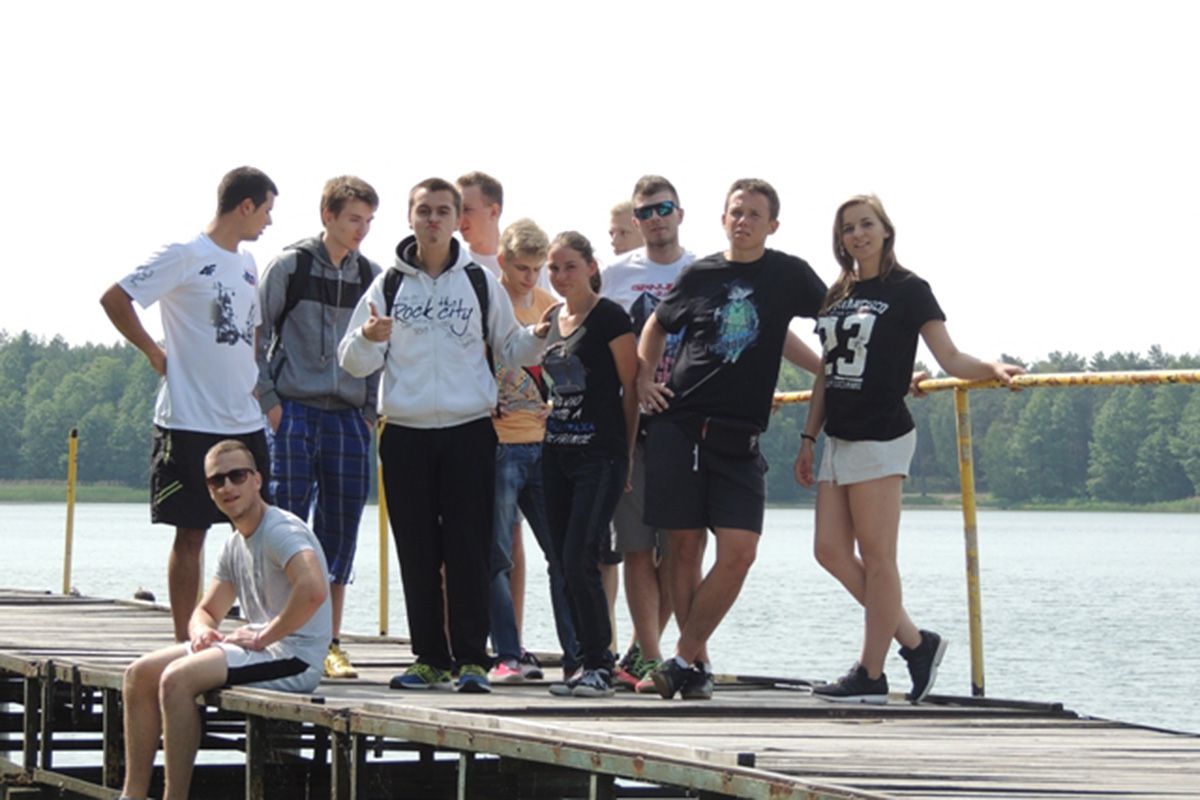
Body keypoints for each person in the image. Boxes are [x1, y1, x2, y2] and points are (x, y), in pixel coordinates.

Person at [795, 195, 1023, 704]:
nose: (858, 234)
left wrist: (991, 368)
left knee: (878, 559)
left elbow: (949, 355)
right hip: (838, 437)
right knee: (829, 550)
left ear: (886, 230)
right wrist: (808, 438)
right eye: (848, 228)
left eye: (867, 224)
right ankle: (917, 643)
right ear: (840, 239)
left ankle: (871, 674)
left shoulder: (909, 289)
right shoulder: (837, 294)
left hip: (881, 436)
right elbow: (828, 373)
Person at [337, 178, 547, 693]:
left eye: (442, 211)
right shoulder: (388, 284)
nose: (433, 220)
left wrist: (541, 337)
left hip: (468, 430)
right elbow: (351, 361)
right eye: (424, 210)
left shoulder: (479, 281)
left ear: (457, 220)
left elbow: (510, 347)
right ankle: (429, 658)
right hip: (405, 432)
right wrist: (367, 336)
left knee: (469, 549)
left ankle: (473, 660)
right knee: (417, 551)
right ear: (410, 218)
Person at [638, 178, 827, 700]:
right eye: (736, 212)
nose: (743, 221)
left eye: (754, 214)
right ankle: (696, 666)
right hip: (680, 426)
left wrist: (882, 369)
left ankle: (682, 657)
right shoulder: (700, 274)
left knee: (740, 551)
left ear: (773, 225)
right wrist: (644, 379)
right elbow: (656, 325)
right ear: (723, 219)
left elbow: (840, 317)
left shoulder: (789, 274)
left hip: (740, 438)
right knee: (683, 548)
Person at [100, 166, 277, 643]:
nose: (269, 222)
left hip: (243, 420)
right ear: (245, 206)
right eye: (266, 210)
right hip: (189, 418)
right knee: (192, 532)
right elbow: (115, 298)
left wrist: (257, 387)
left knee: (257, 532)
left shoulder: (248, 263)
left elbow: (251, 331)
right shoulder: (185, 255)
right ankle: (185, 642)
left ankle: (261, 635)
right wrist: (152, 352)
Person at [118, 439, 331, 800]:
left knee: (175, 680)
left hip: (295, 657)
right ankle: (132, 795)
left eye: (237, 476)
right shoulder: (235, 544)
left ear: (257, 480)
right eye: (217, 480)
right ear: (210, 491)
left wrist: (265, 635)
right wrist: (202, 631)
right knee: (139, 675)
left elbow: (313, 590)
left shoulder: (281, 530)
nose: (228, 486)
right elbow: (206, 611)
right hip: (261, 649)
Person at [256, 176, 382, 679]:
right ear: (327, 215)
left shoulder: (371, 276)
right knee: (287, 523)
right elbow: (255, 335)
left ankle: (329, 641)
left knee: (341, 528)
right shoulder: (290, 266)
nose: (361, 230)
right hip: (294, 408)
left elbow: (379, 349)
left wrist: (369, 410)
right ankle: (281, 636)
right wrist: (270, 402)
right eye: (353, 219)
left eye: (368, 221)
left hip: (349, 414)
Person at [600, 175, 696, 692]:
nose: (655, 219)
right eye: (645, 212)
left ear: (680, 213)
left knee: (680, 548)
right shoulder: (615, 275)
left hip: (686, 428)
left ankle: (653, 651)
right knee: (636, 548)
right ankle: (652, 657)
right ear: (635, 221)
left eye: (663, 209)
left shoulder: (702, 271)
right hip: (630, 427)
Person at [542, 232, 637, 698]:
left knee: (583, 556)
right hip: (555, 452)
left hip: (600, 454)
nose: (561, 276)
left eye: (570, 267)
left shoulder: (611, 318)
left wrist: (628, 455)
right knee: (563, 561)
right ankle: (582, 661)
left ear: (591, 267)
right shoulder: (551, 320)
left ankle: (602, 665)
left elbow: (630, 388)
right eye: (554, 268)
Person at [488, 218, 581, 683]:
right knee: (496, 557)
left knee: (561, 553)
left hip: (543, 445)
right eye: (521, 268)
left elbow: (569, 369)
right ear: (503, 262)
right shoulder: (489, 302)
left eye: (536, 269)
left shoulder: (550, 306)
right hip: (499, 444)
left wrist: (559, 405)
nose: (529, 277)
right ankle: (508, 653)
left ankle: (577, 657)